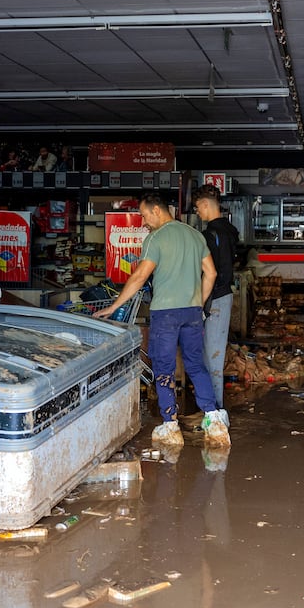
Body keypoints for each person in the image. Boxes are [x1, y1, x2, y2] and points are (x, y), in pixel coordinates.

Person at [94, 192, 231, 451]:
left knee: (164, 369)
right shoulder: (194, 234)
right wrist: (198, 304)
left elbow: (138, 277)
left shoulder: (155, 238)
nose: (144, 222)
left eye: (145, 215)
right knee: (196, 365)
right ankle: (214, 422)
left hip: (165, 315)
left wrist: (114, 306)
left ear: (157, 210)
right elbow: (210, 273)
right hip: (192, 313)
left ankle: (170, 426)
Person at [192, 184, 239, 412]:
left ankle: (215, 413)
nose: (197, 212)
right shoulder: (230, 230)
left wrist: (199, 305)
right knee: (211, 357)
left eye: (197, 208)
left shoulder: (210, 235)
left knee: (212, 359)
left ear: (206, 204)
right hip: (224, 296)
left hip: (215, 299)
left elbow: (210, 273)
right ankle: (211, 409)